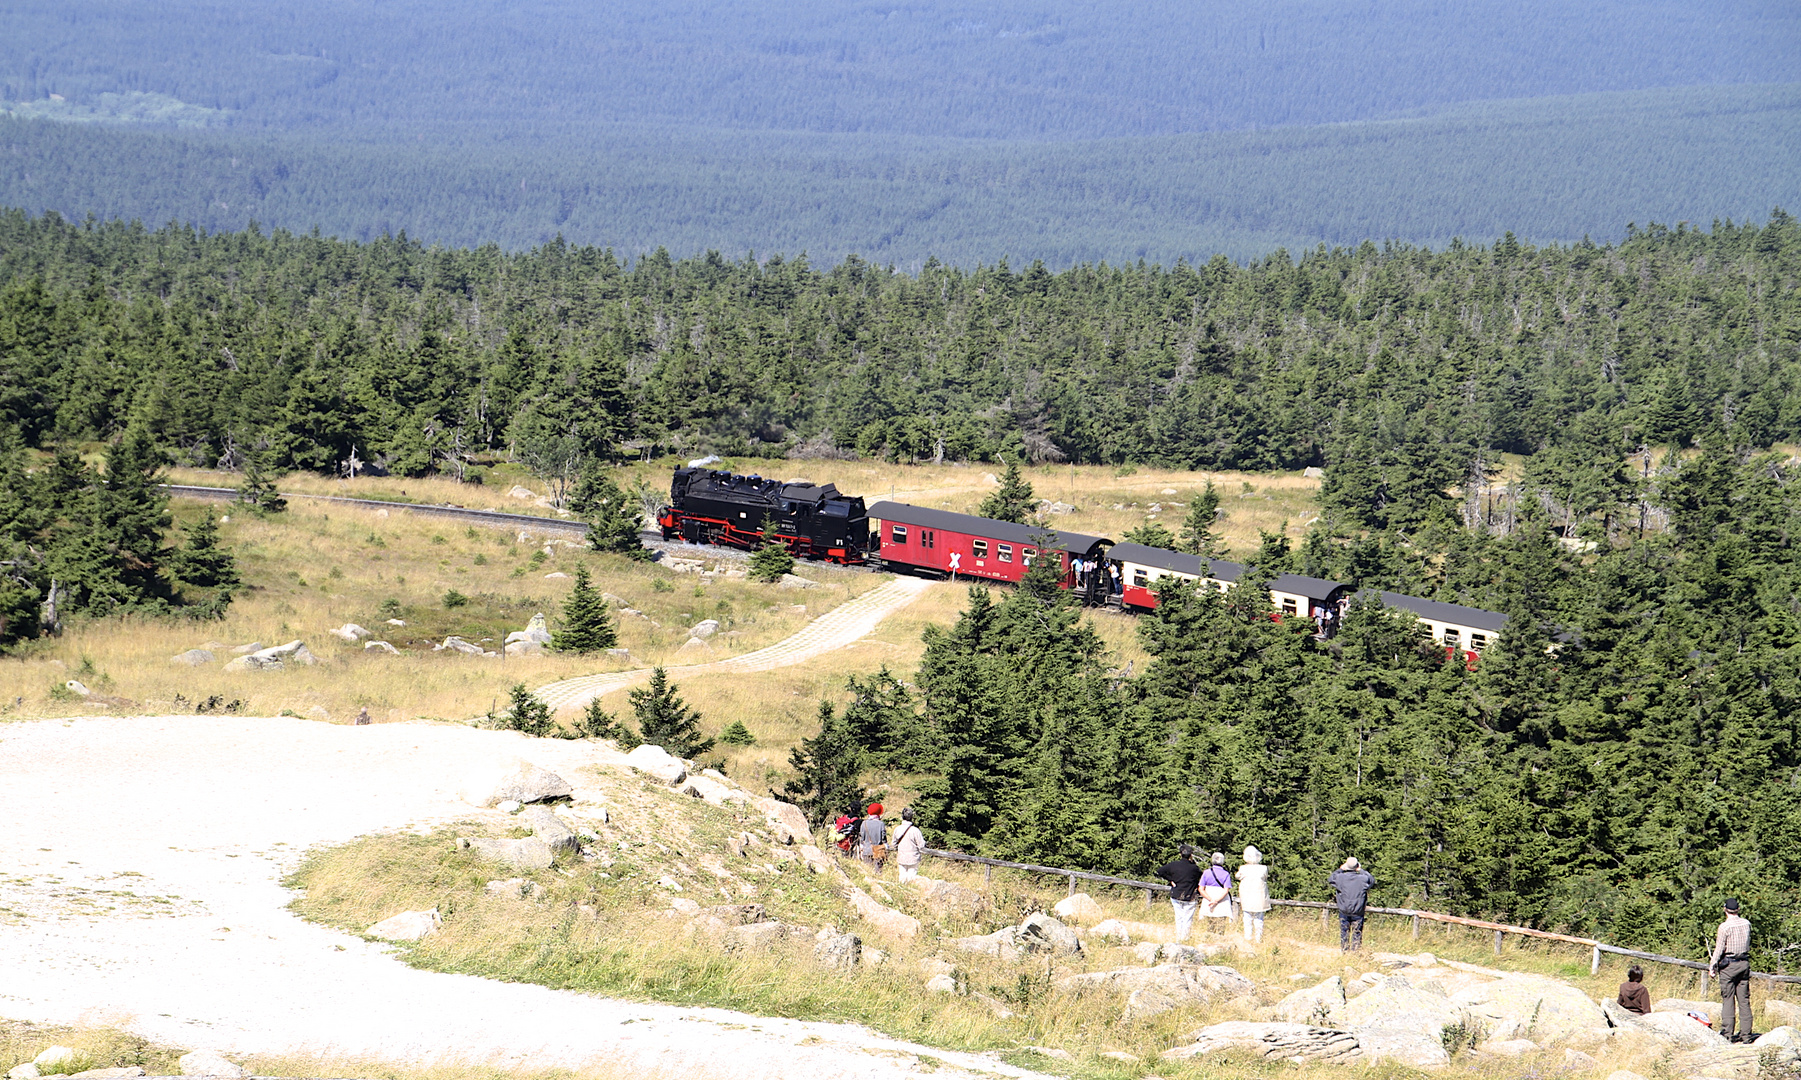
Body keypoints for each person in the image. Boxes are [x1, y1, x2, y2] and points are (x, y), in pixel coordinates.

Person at [1711, 897, 1753, 1042]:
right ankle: (1746, 1034)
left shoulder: (1724, 927)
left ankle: (1728, 1033)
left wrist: (1712, 966)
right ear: (1738, 909)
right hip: (1744, 962)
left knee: (1728, 999)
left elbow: (1719, 949)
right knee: (1744, 1000)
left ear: (1725, 909)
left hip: (1729, 965)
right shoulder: (1746, 924)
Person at [1155, 844, 1203, 942]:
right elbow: (1199, 877)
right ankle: (1185, 938)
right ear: (1191, 855)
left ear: (1180, 854)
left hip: (1176, 894)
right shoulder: (1194, 868)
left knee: (1179, 917)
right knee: (1187, 919)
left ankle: (1178, 938)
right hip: (1190, 896)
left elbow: (1159, 871)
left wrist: (1171, 880)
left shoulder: (1174, 865)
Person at [1327, 857, 1375, 952]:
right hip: (1358, 910)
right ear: (1357, 866)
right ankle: (1355, 952)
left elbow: (1331, 878)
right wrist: (1361, 870)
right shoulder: (1363, 879)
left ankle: (1345, 951)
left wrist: (1341, 869)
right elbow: (1372, 880)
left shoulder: (1340, 878)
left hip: (1344, 909)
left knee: (1344, 931)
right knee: (1357, 932)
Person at [1238, 846, 1271, 943]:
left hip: (1247, 896)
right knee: (1259, 918)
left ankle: (1248, 937)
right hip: (1259, 897)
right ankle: (1258, 938)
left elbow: (1238, 876)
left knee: (1247, 918)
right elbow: (1265, 878)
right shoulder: (1263, 868)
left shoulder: (1243, 868)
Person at [892, 807, 926, 883]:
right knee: (912, 877)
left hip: (901, 856)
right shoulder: (915, 830)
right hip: (913, 857)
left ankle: (902, 890)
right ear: (911, 817)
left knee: (902, 876)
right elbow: (921, 845)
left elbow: (893, 844)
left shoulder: (897, 829)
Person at [1200, 852, 1234, 922]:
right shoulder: (1226, 874)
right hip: (1222, 900)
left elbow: (1201, 889)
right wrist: (1216, 900)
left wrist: (1211, 900)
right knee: (1221, 922)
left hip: (1208, 899)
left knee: (1210, 921)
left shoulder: (1206, 872)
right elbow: (1226, 890)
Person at [858, 802, 888, 868]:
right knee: (878, 871)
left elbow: (861, 838)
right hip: (878, 851)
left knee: (868, 871)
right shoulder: (881, 824)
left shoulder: (864, 823)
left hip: (867, 850)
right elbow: (884, 839)